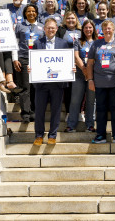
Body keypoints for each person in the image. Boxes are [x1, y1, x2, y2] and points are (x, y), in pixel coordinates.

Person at [87, 20, 115, 144]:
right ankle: (101, 135)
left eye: (110, 28)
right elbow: (90, 63)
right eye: (105, 28)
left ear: (114, 30)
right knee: (100, 110)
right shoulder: (96, 44)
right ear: (102, 30)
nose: (107, 30)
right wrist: (90, 79)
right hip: (99, 83)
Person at [31, 18, 71, 146]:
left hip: (57, 84)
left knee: (56, 110)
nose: (51, 30)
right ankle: (39, 135)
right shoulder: (37, 43)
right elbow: (34, 61)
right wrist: (30, 67)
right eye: (48, 27)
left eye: (53, 28)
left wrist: (71, 68)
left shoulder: (63, 44)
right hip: (41, 83)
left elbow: (66, 62)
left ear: (57, 29)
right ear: (44, 29)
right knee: (39, 110)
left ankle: (52, 135)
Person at [12, 4, 43, 123]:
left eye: (33, 11)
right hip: (23, 58)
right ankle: (25, 113)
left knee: (36, 87)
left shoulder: (41, 27)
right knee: (25, 87)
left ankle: (34, 112)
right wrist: (15, 58)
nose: (31, 13)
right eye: (28, 11)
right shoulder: (20, 26)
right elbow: (15, 43)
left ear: (36, 13)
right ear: (25, 13)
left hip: (38, 60)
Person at [72, 19, 97, 133]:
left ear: (93, 29)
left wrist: (89, 71)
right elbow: (76, 56)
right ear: (82, 29)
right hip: (80, 74)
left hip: (94, 75)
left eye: (90, 27)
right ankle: (71, 125)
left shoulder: (97, 41)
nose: (88, 29)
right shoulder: (78, 41)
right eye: (86, 27)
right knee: (75, 99)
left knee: (91, 100)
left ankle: (90, 124)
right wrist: (84, 69)